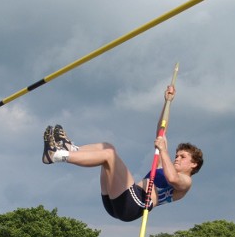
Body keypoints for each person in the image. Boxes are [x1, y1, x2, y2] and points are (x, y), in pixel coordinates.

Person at [42, 87, 203, 223]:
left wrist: (163, 150)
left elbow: (173, 179)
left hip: (136, 204)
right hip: (118, 202)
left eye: (182, 157)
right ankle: (70, 148)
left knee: (109, 155)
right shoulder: (164, 163)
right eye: (177, 155)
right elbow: (161, 130)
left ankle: (57, 155)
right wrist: (167, 102)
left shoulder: (186, 182)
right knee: (107, 147)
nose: (177, 158)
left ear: (193, 164)